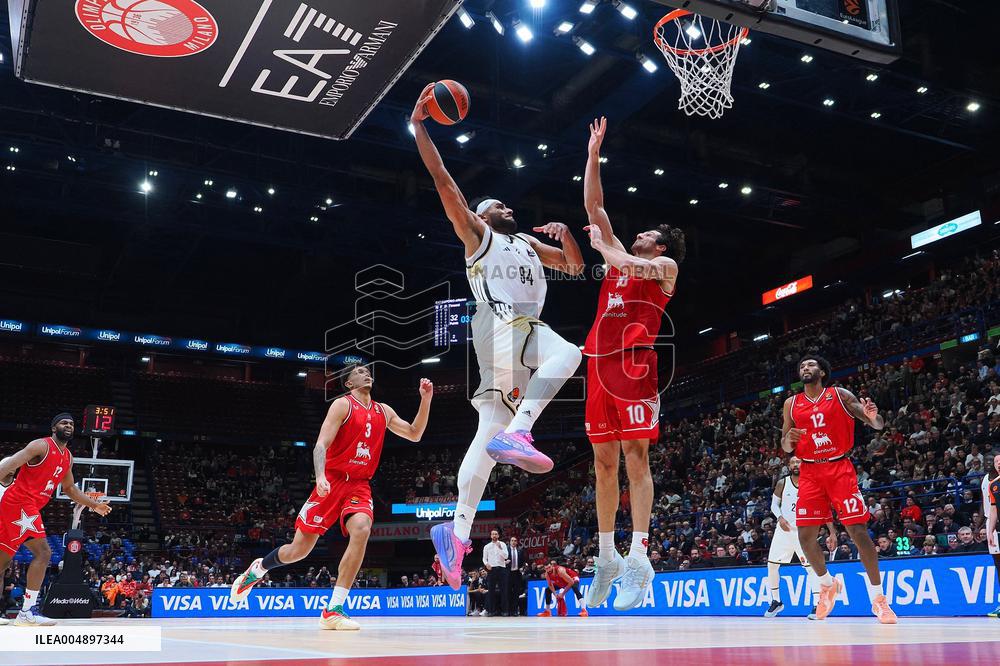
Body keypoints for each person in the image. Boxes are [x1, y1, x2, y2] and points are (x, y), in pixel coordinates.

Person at [411, 86, 585, 589]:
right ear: (483, 217)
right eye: (497, 204)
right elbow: (445, 184)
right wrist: (420, 128)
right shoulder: (479, 236)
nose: (506, 206)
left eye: (506, 204)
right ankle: (523, 430)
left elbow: (574, 268)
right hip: (499, 321)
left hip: (519, 335)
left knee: (487, 436)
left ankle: (456, 533)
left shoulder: (529, 244)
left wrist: (566, 235)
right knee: (569, 352)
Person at [229, 366, 433, 631]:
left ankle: (333, 609)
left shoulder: (384, 411)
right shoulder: (341, 405)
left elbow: (415, 434)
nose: (366, 373)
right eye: (359, 371)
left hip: (359, 485)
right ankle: (257, 569)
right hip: (332, 480)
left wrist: (425, 401)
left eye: (368, 370)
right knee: (298, 551)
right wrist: (320, 476)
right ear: (349, 383)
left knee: (362, 529)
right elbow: (320, 445)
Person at [580, 117, 684, 613]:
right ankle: (607, 557)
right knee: (602, 465)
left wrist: (604, 248)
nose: (638, 233)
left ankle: (640, 556)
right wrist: (593, 153)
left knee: (635, 460)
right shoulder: (618, 253)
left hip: (636, 369)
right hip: (598, 367)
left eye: (648, 232)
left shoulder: (664, 268)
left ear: (660, 246)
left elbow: (629, 265)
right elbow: (594, 207)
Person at [781, 356, 897, 623]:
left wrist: (873, 417)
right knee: (806, 536)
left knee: (858, 531)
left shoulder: (840, 395)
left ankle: (878, 599)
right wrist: (789, 439)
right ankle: (826, 584)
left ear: (822, 371)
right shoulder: (791, 403)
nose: (805, 369)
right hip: (809, 472)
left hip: (839, 469)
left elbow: (876, 423)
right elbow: (786, 445)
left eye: (810, 365)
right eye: (801, 366)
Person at [0, 414, 112, 626]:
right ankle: (26, 613)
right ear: (54, 427)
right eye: (63, 423)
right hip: (19, 502)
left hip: (22, 506)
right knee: (44, 553)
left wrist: (94, 505)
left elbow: (69, 489)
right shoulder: (40, 446)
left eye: (71, 423)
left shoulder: (67, 456)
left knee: (2, 562)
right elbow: (8, 466)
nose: (68, 426)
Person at [763, 456, 821, 620]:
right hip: (784, 530)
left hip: (803, 532)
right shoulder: (783, 483)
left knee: (811, 568)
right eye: (793, 462)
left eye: (799, 462)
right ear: (789, 466)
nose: (796, 465)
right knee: (772, 566)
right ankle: (776, 601)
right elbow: (774, 504)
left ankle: (817, 604)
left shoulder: (811, 482)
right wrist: (780, 517)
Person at [982, 454, 1000, 617]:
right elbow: (990, 507)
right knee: (998, 563)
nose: (995, 463)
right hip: (994, 524)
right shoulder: (990, 483)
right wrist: (988, 529)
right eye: (994, 461)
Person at [482, 530, 509, 616]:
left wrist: (500, 548)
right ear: (490, 536)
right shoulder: (487, 546)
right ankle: (491, 611)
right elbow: (484, 558)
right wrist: (486, 564)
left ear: (498, 536)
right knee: (491, 591)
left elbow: (506, 556)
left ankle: (504, 611)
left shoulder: (503, 544)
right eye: (493, 534)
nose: (494, 535)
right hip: (492, 569)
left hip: (502, 568)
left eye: (496, 534)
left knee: (504, 590)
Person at [507, 536, 526, 616]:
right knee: (508, 592)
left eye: (515, 540)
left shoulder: (520, 551)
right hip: (508, 573)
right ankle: (507, 610)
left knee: (516, 593)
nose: (514, 542)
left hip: (516, 573)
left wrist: (522, 567)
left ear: (517, 542)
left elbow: (523, 561)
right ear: (510, 542)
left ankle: (514, 610)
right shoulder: (506, 550)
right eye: (512, 540)